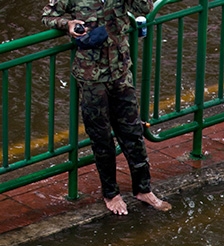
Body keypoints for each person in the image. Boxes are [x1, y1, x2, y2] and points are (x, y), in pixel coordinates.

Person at [42, 0, 171, 215]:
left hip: (120, 71)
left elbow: (144, 9)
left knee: (133, 132)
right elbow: (48, 15)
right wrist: (68, 24)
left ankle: (143, 189)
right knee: (101, 139)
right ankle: (111, 194)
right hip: (91, 77)